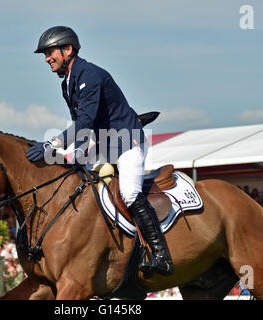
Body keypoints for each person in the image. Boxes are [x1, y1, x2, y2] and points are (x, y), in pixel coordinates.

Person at [26, 26, 173, 277]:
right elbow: (83, 126)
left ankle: (161, 255)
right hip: (105, 144)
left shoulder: (90, 75)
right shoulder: (68, 83)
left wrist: (51, 145)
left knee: (129, 193)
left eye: (49, 52)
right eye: (45, 54)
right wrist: (80, 155)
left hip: (128, 142)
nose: (46, 58)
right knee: (79, 184)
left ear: (68, 50)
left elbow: (83, 122)